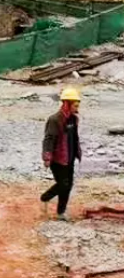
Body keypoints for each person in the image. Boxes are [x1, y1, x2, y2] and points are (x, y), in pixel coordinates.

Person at [41, 88, 82, 221]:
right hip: (58, 159)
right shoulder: (55, 119)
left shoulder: (74, 119)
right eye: (75, 105)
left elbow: (74, 137)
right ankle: (45, 197)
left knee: (68, 186)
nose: (77, 108)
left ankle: (61, 212)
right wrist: (47, 157)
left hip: (69, 157)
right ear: (66, 104)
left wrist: (77, 153)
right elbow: (49, 139)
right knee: (63, 184)